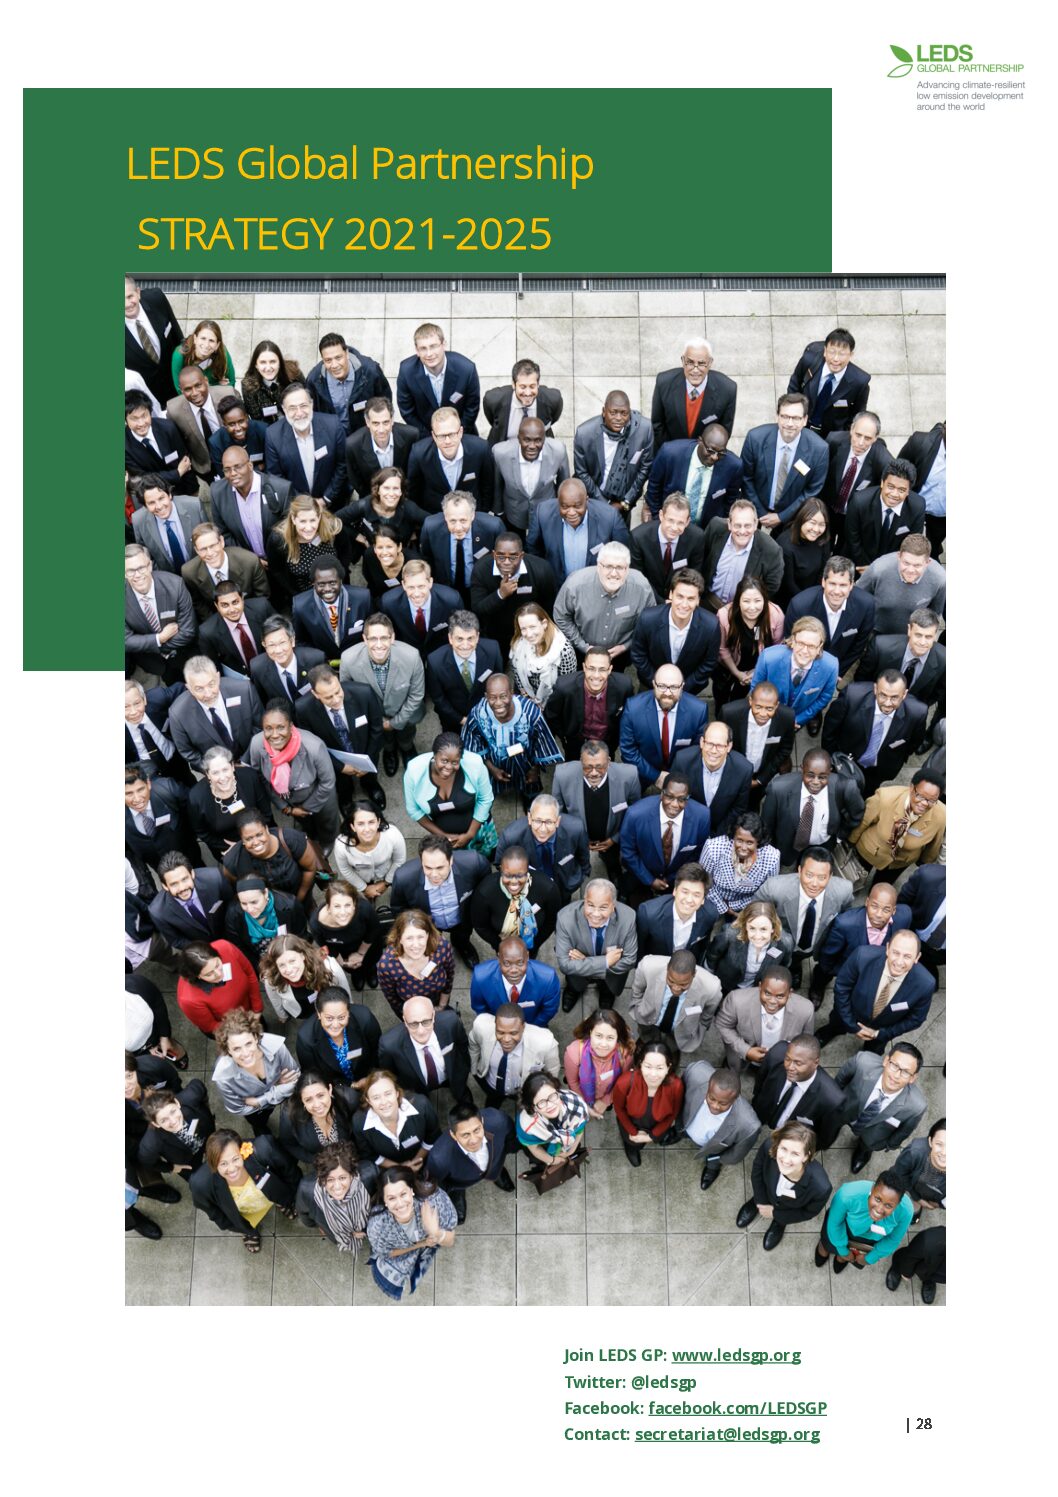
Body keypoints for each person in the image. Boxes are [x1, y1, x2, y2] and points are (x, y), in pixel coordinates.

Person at [816, 930, 936, 1053]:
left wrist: (880, 1034)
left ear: (917, 957)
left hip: (883, 1027)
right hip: (848, 1013)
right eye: (896, 953)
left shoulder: (925, 984)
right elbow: (842, 987)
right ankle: (830, 1031)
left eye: (907, 956)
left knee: (873, 1052)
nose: (899, 962)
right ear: (887, 948)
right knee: (836, 1025)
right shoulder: (862, 957)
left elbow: (916, 1019)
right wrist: (851, 1024)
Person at [339, 612, 426, 776]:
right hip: (373, 716)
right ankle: (389, 750)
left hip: (405, 712)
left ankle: (407, 748)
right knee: (384, 738)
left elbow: (416, 695)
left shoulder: (412, 656)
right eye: (373, 639)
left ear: (392, 638)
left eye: (384, 638)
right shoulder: (348, 659)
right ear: (364, 639)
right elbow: (349, 697)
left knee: (406, 733)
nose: (379, 645)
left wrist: (394, 723)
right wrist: (379, 722)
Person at [247, 697, 341, 848]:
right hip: (290, 802)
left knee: (327, 824)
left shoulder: (313, 746)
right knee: (306, 826)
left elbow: (327, 782)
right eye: (268, 728)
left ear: (291, 726)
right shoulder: (257, 745)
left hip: (319, 796)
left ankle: (328, 843)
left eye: (281, 727)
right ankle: (310, 837)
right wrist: (286, 807)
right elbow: (261, 778)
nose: (274, 735)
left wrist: (305, 808)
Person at [189, 1129, 299, 1254]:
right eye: (223, 1164)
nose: (232, 1169)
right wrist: (239, 1227)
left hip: (271, 1193)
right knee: (245, 1227)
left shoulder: (264, 1148)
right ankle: (249, 1232)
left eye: (235, 1159)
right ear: (214, 1164)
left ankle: (282, 1203)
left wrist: (289, 1197)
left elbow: (290, 1172)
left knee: (282, 1197)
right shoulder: (200, 1184)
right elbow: (215, 1214)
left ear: (241, 1151)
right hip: (243, 1213)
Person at [757, 847, 855, 987]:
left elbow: (846, 915)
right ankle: (794, 967)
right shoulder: (774, 888)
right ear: (799, 870)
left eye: (822, 878)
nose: (814, 884)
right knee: (791, 958)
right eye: (809, 875)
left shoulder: (844, 890)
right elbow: (755, 912)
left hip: (819, 941)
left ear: (830, 876)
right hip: (786, 938)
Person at [461, 672, 563, 806]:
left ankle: (530, 800)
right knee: (492, 786)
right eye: (492, 698)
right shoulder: (478, 713)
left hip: (526, 764)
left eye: (503, 696)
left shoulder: (530, 712)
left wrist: (535, 769)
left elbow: (541, 742)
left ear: (512, 693)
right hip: (495, 764)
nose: (498, 703)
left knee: (530, 788)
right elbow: (473, 741)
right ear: (486, 697)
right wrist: (491, 768)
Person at [295, 662, 384, 813]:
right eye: (328, 697)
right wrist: (340, 766)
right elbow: (311, 746)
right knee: (342, 783)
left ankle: (371, 786)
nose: (336, 700)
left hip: (365, 750)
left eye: (338, 692)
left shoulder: (364, 693)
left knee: (370, 776)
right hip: (334, 757)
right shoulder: (303, 709)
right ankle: (345, 797)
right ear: (315, 694)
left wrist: (368, 759)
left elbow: (376, 729)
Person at [389, 835, 490, 967]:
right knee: (431, 944)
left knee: (462, 935)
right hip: (429, 923)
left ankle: (462, 945)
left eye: (440, 868)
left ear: (451, 860)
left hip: (462, 917)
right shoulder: (403, 878)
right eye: (428, 868)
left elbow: (486, 888)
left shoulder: (475, 863)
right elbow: (398, 908)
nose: (434, 875)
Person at [551, 740, 641, 882]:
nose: (593, 773)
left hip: (612, 836)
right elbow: (557, 813)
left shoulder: (629, 775)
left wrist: (615, 839)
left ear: (609, 761)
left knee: (612, 858)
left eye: (599, 767)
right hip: (579, 836)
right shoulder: (562, 775)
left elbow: (635, 813)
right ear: (581, 761)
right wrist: (579, 839)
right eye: (588, 767)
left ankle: (613, 868)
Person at [809, 882, 911, 1005]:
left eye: (886, 909)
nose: (879, 914)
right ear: (867, 902)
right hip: (844, 964)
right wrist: (829, 969)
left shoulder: (904, 916)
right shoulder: (845, 924)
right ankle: (818, 986)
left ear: (894, 911)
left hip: (873, 967)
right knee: (823, 973)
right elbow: (829, 953)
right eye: (874, 906)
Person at [365, 1166, 458, 1300]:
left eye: (403, 1194)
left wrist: (436, 1232)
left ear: (412, 1190)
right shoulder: (377, 1226)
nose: (400, 1204)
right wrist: (421, 1244)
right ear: (385, 1201)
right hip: (413, 1245)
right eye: (391, 1198)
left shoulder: (435, 1201)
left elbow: (450, 1240)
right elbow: (388, 1253)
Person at [552, 541, 655, 662]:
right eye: (608, 566)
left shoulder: (642, 588)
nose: (614, 573)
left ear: (627, 569)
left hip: (621, 655)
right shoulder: (575, 585)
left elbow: (649, 623)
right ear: (599, 566)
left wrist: (626, 646)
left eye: (620, 567)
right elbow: (561, 616)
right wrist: (582, 645)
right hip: (581, 653)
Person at [786, 554, 876, 693]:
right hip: (802, 665)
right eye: (832, 584)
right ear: (823, 582)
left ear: (851, 585)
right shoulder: (800, 605)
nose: (837, 591)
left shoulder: (866, 605)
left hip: (837, 668)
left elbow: (858, 645)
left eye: (843, 585)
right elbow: (790, 641)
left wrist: (835, 671)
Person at [761, 750, 865, 868]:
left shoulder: (846, 787)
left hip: (822, 846)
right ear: (802, 769)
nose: (816, 782)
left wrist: (840, 835)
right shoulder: (778, 789)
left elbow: (856, 815)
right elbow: (766, 826)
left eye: (822, 777)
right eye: (810, 775)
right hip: (788, 847)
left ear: (830, 772)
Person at [835, 1043, 927, 1175]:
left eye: (906, 1072)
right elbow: (839, 1082)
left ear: (912, 1078)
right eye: (894, 1065)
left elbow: (904, 1131)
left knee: (866, 1145)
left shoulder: (916, 1107)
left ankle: (863, 1152)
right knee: (833, 1125)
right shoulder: (862, 1062)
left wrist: (888, 1144)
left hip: (873, 1136)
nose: (896, 1075)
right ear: (886, 1061)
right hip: (848, 1109)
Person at [619, 774, 711, 905]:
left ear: (688, 799)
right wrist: (649, 879)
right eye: (669, 797)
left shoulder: (702, 816)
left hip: (676, 879)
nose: (674, 804)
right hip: (641, 873)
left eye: (682, 799)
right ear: (661, 794)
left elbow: (697, 853)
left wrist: (674, 878)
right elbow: (628, 851)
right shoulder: (635, 814)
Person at [741, 393, 829, 529]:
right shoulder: (755, 438)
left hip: (792, 516)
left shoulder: (819, 449)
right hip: (756, 508)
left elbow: (812, 490)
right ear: (777, 416)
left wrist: (782, 517)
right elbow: (746, 478)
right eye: (785, 416)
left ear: (805, 420)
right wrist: (761, 513)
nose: (789, 424)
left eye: (796, 418)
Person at [739, 1122, 832, 1250]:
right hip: (766, 1192)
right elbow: (757, 1171)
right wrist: (760, 1201)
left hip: (786, 1210)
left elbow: (807, 1213)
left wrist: (776, 1214)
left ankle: (779, 1224)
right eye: (783, 1149)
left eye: (795, 1154)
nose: (786, 1160)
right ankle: (755, 1202)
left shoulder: (821, 1188)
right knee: (761, 1195)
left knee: (782, 1217)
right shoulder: (769, 1146)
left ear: (806, 1156)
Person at [630, 568, 721, 696]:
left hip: (688, 688)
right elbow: (638, 654)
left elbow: (709, 663)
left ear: (698, 600)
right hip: (651, 685)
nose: (684, 604)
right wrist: (659, 684)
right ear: (671, 595)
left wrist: (682, 687)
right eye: (680, 596)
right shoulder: (648, 619)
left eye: (691, 598)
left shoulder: (711, 626)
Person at [618, 665, 710, 790]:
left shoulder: (698, 710)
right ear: (653, 684)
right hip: (643, 770)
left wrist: (674, 778)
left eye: (674, 687)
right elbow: (628, 750)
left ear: (682, 686)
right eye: (661, 686)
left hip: (681, 774)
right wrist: (655, 776)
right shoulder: (633, 708)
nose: (667, 693)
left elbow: (697, 750)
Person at [403, 731, 495, 854]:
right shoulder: (414, 772)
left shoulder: (476, 764)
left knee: (487, 857)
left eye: (455, 762)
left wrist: (470, 834)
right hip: (443, 838)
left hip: (479, 830)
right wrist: (443, 836)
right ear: (434, 755)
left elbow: (486, 799)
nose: (448, 768)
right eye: (444, 761)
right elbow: (413, 810)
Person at [555, 878, 638, 1013]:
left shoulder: (628, 917)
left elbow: (630, 960)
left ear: (614, 905)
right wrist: (605, 962)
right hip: (578, 977)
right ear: (584, 900)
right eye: (590, 905)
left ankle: (606, 993)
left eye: (603, 907)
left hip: (610, 978)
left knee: (607, 990)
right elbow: (564, 964)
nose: (595, 914)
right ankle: (574, 990)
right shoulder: (565, 918)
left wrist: (585, 961)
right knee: (574, 985)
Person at [525, 477, 630, 584]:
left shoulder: (609, 516)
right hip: (556, 586)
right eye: (565, 507)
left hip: (594, 586)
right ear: (558, 501)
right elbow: (533, 550)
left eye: (577, 506)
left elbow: (623, 553)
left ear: (586, 500)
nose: (571, 512)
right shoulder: (542, 513)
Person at [211, 1008, 300, 1133]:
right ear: (228, 1051)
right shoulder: (224, 1077)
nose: (245, 1053)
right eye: (236, 1049)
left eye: (248, 1044)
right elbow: (238, 1108)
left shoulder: (276, 1048)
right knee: (259, 1125)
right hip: (256, 1113)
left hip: (262, 1104)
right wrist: (279, 1087)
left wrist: (261, 1100)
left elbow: (296, 1079)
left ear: (256, 1038)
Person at [424, 1103, 517, 1223]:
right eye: (465, 1135)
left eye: (477, 1130)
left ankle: (496, 1173)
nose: (474, 1140)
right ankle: (458, 1194)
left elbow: (510, 1137)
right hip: (460, 1180)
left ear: (482, 1122)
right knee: (456, 1188)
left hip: (494, 1162)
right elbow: (437, 1184)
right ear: (453, 1135)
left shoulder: (498, 1120)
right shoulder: (439, 1158)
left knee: (494, 1168)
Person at [168, 654, 262, 772]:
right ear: (189, 688)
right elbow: (187, 751)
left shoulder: (244, 690)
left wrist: (245, 760)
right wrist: (217, 769)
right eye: (199, 689)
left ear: (218, 677)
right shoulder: (178, 714)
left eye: (211, 684)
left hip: (254, 760)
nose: (208, 693)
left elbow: (259, 726)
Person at [750, 1034, 845, 1150]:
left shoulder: (832, 1100)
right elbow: (760, 1081)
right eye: (787, 1059)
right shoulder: (777, 1053)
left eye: (798, 1063)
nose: (790, 1067)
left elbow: (824, 1139)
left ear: (815, 1063)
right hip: (764, 1110)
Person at [714, 966, 815, 1074]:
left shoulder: (805, 1010)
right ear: (760, 986)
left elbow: (806, 1042)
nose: (772, 1001)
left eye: (780, 996)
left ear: (790, 993)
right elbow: (723, 1025)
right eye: (767, 993)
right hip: (743, 1057)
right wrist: (746, 1050)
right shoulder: (736, 1000)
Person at [849, 770, 946, 882]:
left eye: (932, 800)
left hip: (900, 862)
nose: (924, 803)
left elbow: (934, 845)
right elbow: (864, 822)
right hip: (871, 849)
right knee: (855, 880)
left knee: (883, 887)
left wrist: (924, 863)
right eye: (920, 796)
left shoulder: (941, 815)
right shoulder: (884, 797)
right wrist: (851, 842)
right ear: (911, 788)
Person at [377, 995, 474, 1107]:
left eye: (426, 1022)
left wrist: (464, 1069)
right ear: (405, 1021)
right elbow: (390, 1075)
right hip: (417, 1086)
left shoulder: (451, 1022)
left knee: (462, 1095)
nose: (421, 1031)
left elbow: (462, 1046)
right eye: (413, 1024)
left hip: (451, 1074)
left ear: (433, 1016)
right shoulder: (389, 1045)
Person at [859, 608, 946, 732]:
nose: (922, 642)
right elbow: (862, 680)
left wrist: (916, 707)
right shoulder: (881, 647)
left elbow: (938, 692)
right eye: (918, 635)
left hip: (910, 712)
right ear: (909, 630)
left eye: (928, 637)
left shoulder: (945, 660)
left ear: (936, 634)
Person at [264, 383, 348, 508]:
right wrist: (304, 504)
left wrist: (326, 499)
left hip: (333, 505)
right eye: (292, 408)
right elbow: (276, 477)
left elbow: (343, 465)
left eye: (303, 406)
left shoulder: (333, 425)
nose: (299, 413)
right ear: (284, 410)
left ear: (311, 404)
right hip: (296, 508)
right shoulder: (273, 435)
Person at [572, 390, 654, 518]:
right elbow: (581, 472)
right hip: (593, 500)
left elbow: (645, 468)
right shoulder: (584, 433)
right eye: (613, 412)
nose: (619, 418)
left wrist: (625, 502)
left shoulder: (644, 429)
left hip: (624, 503)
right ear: (604, 412)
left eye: (624, 413)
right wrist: (604, 504)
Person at [680, 1062, 762, 1190]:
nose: (715, 1106)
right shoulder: (695, 1072)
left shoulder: (749, 1126)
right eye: (711, 1098)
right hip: (686, 1124)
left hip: (714, 1151)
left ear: (735, 1098)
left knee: (713, 1161)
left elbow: (735, 1155)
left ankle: (712, 1168)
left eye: (723, 1103)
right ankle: (680, 1132)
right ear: (708, 1088)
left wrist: (717, 1159)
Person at [470, 843, 560, 957]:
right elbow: (480, 926)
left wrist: (535, 944)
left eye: (520, 875)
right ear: (500, 869)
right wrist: (498, 945)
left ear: (527, 870)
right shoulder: (485, 892)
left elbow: (551, 921)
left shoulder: (547, 889)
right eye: (507, 875)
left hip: (531, 945)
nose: (513, 882)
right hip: (502, 945)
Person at [544, 647, 635, 760]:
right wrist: (565, 735)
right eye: (591, 668)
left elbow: (629, 717)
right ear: (584, 667)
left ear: (610, 670)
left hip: (607, 743)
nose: (596, 675)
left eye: (602, 669)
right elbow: (551, 716)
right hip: (575, 744)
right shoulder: (564, 687)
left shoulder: (624, 686)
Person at [815, 1171, 913, 1276]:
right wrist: (843, 1251)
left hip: (869, 1241)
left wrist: (870, 1258)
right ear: (872, 1189)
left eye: (888, 1206)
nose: (879, 1210)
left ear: (898, 1204)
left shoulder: (906, 1212)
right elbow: (835, 1224)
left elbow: (893, 1239)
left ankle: (841, 1259)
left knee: (850, 1258)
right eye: (877, 1199)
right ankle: (825, 1250)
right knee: (827, 1244)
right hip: (843, 1228)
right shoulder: (847, 1195)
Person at [469, 532, 557, 647]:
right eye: (501, 557)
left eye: (513, 557)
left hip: (530, 635)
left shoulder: (541, 569)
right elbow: (477, 609)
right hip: (495, 635)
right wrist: (500, 594)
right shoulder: (481, 569)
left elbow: (548, 609)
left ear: (521, 555)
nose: (506, 562)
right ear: (494, 554)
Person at [123, 545, 197, 683]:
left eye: (141, 568)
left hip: (184, 655)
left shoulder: (175, 585)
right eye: (130, 571)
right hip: (154, 664)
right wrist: (159, 638)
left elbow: (188, 631)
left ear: (150, 565)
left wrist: (149, 646)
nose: (137, 575)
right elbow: (125, 641)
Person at [628, 949, 721, 1058]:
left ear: (694, 974)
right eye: (671, 981)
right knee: (646, 1033)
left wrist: (699, 1029)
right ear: (667, 968)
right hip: (648, 1016)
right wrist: (638, 1009)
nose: (676, 988)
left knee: (673, 1045)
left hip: (682, 1027)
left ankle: (671, 1049)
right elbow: (637, 991)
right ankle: (646, 1040)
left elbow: (707, 1015)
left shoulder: (712, 988)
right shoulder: (647, 966)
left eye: (683, 984)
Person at [712, 573, 786, 710]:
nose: (752, 607)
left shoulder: (775, 614)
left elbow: (778, 647)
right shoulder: (724, 615)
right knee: (721, 692)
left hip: (755, 664)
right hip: (727, 664)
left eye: (757, 601)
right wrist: (737, 673)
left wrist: (756, 671)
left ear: (764, 599)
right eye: (746, 601)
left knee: (739, 695)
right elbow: (722, 648)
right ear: (738, 600)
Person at [646, 421, 744, 524]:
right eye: (710, 451)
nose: (715, 457)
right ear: (700, 441)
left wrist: (718, 527)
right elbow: (654, 488)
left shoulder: (734, 466)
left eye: (721, 453)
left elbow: (731, 501)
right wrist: (659, 519)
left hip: (707, 528)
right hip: (671, 525)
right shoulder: (670, 453)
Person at [495, 793, 591, 897]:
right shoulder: (510, 837)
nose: (543, 829)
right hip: (529, 890)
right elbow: (500, 865)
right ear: (529, 818)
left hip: (563, 889)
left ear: (557, 821)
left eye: (549, 822)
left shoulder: (576, 829)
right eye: (538, 821)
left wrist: (573, 883)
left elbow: (584, 861)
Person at [468, 1002, 561, 1110]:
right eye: (500, 1032)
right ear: (495, 1025)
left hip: (523, 1090)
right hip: (491, 1085)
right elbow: (473, 1043)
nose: (506, 1039)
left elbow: (552, 1071)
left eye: (513, 1033)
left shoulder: (546, 1043)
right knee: (492, 1102)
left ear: (523, 1027)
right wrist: (474, 1069)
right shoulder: (481, 1026)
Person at [750, 616, 839, 728]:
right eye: (801, 643)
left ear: (819, 647)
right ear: (792, 641)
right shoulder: (768, 657)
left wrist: (799, 719)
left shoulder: (831, 666)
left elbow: (824, 697)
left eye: (811, 646)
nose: (805, 651)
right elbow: (756, 687)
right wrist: (767, 714)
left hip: (797, 719)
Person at [425, 609, 505, 732]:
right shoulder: (435, 661)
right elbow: (439, 699)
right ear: (450, 638)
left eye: (470, 638)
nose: (465, 645)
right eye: (460, 639)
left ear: (477, 637)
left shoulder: (493, 649)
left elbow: (499, 681)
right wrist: (462, 720)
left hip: (487, 714)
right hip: (453, 719)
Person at [396, 321, 481, 436]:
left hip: (461, 433)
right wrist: (432, 437)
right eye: (423, 348)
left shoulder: (466, 369)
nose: (429, 354)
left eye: (433, 346)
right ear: (417, 351)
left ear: (444, 345)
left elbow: (472, 408)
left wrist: (455, 435)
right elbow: (407, 411)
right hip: (425, 435)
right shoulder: (406, 371)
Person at [650, 337, 738, 448]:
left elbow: (723, 432)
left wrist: (702, 455)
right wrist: (672, 452)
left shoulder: (727, 389)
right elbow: (657, 425)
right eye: (690, 362)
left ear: (710, 363)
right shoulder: (664, 382)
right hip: (670, 452)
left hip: (705, 455)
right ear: (683, 361)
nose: (695, 370)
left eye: (701, 363)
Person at [222, 809, 321, 906]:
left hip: (300, 899)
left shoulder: (291, 839)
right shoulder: (234, 859)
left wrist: (299, 901)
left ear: (266, 829)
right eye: (248, 839)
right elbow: (235, 889)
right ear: (242, 840)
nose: (256, 842)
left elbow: (309, 869)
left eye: (259, 834)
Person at [266, 494, 353, 605]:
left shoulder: (333, 529)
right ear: (293, 519)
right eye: (303, 521)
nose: (308, 528)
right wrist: (296, 595)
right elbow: (277, 571)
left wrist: (340, 579)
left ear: (319, 517)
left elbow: (345, 554)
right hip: (304, 595)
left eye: (313, 520)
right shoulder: (279, 540)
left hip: (335, 591)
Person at [612, 1036, 686, 1166]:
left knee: (652, 1138)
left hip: (657, 1124)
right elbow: (619, 1109)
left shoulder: (676, 1086)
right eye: (648, 1066)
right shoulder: (624, 1082)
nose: (653, 1074)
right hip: (631, 1124)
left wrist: (652, 1135)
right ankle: (631, 1148)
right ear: (640, 1064)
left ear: (668, 1067)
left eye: (659, 1068)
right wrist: (633, 1133)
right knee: (632, 1142)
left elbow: (673, 1114)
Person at [351, 1070, 441, 1176]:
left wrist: (415, 1162)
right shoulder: (359, 1123)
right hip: (390, 1170)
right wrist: (401, 1168)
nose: (384, 1102)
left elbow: (433, 1136)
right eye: (376, 1097)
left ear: (397, 1093)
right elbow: (370, 1155)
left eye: (388, 1094)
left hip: (423, 1160)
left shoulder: (421, 1105)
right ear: (368, 1100)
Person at [820, 411, 891, 546]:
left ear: (875, 438)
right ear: (851, 429)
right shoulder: (833, 441)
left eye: (868, 438)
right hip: (827, 509)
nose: (860, 443)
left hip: (853, 517)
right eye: (858, 435)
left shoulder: (883, 461)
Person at [419, 492, 505, 602]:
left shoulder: (493, 527)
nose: (458, 528)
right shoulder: (430, 527)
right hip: (447, 589)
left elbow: (502, 558)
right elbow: (426, 558)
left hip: (480, 589)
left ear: (472, 516)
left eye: (463, 520)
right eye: (452, 521)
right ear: (445, 517)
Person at [700, 502, 785, 613]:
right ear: (729, 524)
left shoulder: (771, 550)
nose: (742, 531)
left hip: (740, 611)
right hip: (708, 601)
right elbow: (701, 557)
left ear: (755, 524)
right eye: (737, 525)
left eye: (747, 526)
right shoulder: (715, 528)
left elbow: (772, 586)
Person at [788, 327, 871, 438]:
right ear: (825, 351)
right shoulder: (809, 360)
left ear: (851, 355)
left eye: (842, 354)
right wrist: (794, 417)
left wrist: (842, 437)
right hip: (800, 427)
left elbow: (857, 416)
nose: (836, 359)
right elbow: (794, 385)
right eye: (832, 352)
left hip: (832, 436)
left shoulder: (860, 381)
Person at [304, 331, 391, 437]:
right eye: (328, 360)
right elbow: (311, 415)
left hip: (365, 435)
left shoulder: (370, 372)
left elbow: (385, 402)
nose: (334, 365)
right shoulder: (314, 380)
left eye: (338, 358)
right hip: (333, 437)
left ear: (347, 354)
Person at [721, 683, 796, 806]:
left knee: (754, 802)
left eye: (769, 709)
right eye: (758, 707)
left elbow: (784, 750)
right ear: (750, 701)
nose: (763, 714)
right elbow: (721, 743)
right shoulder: (729, 713)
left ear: (777, 705)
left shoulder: (787, 717)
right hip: (733, 772)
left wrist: (761, 780)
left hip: (761, 774)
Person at [671, 720, 754, 831]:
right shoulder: (682, 761)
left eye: (720, 746)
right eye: (710, 744)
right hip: (687, 825)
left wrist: (717, 835)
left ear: (729, 746)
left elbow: (738, 809)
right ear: (702, 742)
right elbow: (674, 799)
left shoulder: (744, 770)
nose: (714, 751)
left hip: (722, 829)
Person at [844, 459, 926, 570]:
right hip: (860, 562)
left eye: (901, 490)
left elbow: (911, 545)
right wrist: (868, 569)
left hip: (893, 566)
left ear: (908, 491)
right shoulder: (859, 502)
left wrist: (887, 570)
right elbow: (853, 539)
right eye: (890, 487)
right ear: (882, 483)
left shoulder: (918, 506)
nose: (894, 494)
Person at [856, 535, 946, 635]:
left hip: (911, 636)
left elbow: (934, 615)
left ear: (927, 562)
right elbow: (856, 597)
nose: (910, 570)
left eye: (917, 565)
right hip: (874, 630)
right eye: (906, 563)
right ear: (899, 556)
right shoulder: (878, 569)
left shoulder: (939, 579)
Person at [492, 415, 569, 532]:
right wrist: (499, 512)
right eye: (527, 440)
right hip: (514, 513)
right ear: (519, 438)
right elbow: (497, 485)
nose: (532, 446)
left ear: (544, 439)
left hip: (545, 515)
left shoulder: (558, 451)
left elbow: (564, 485)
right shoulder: (500, 453)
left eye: (538, 440)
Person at [628, 492, 707, 604]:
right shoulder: (638, 537)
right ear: (661, 515)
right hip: (648, 599)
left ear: (688, 522)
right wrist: (661, 602)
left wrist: (677, 600)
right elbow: (638, 578)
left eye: (680, 523)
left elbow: (694, 576)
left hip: (680, 602)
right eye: (670, 520)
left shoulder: (697, 538)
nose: (674, 528)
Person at [635, 863, 721, 966]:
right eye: (685, 892)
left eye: (696, 895)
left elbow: (702, 947)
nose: (689, 900)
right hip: (655, 965)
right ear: (675, 891)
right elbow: (640, 949)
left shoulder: (710, 914)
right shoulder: (648, 913)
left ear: (703, 899)